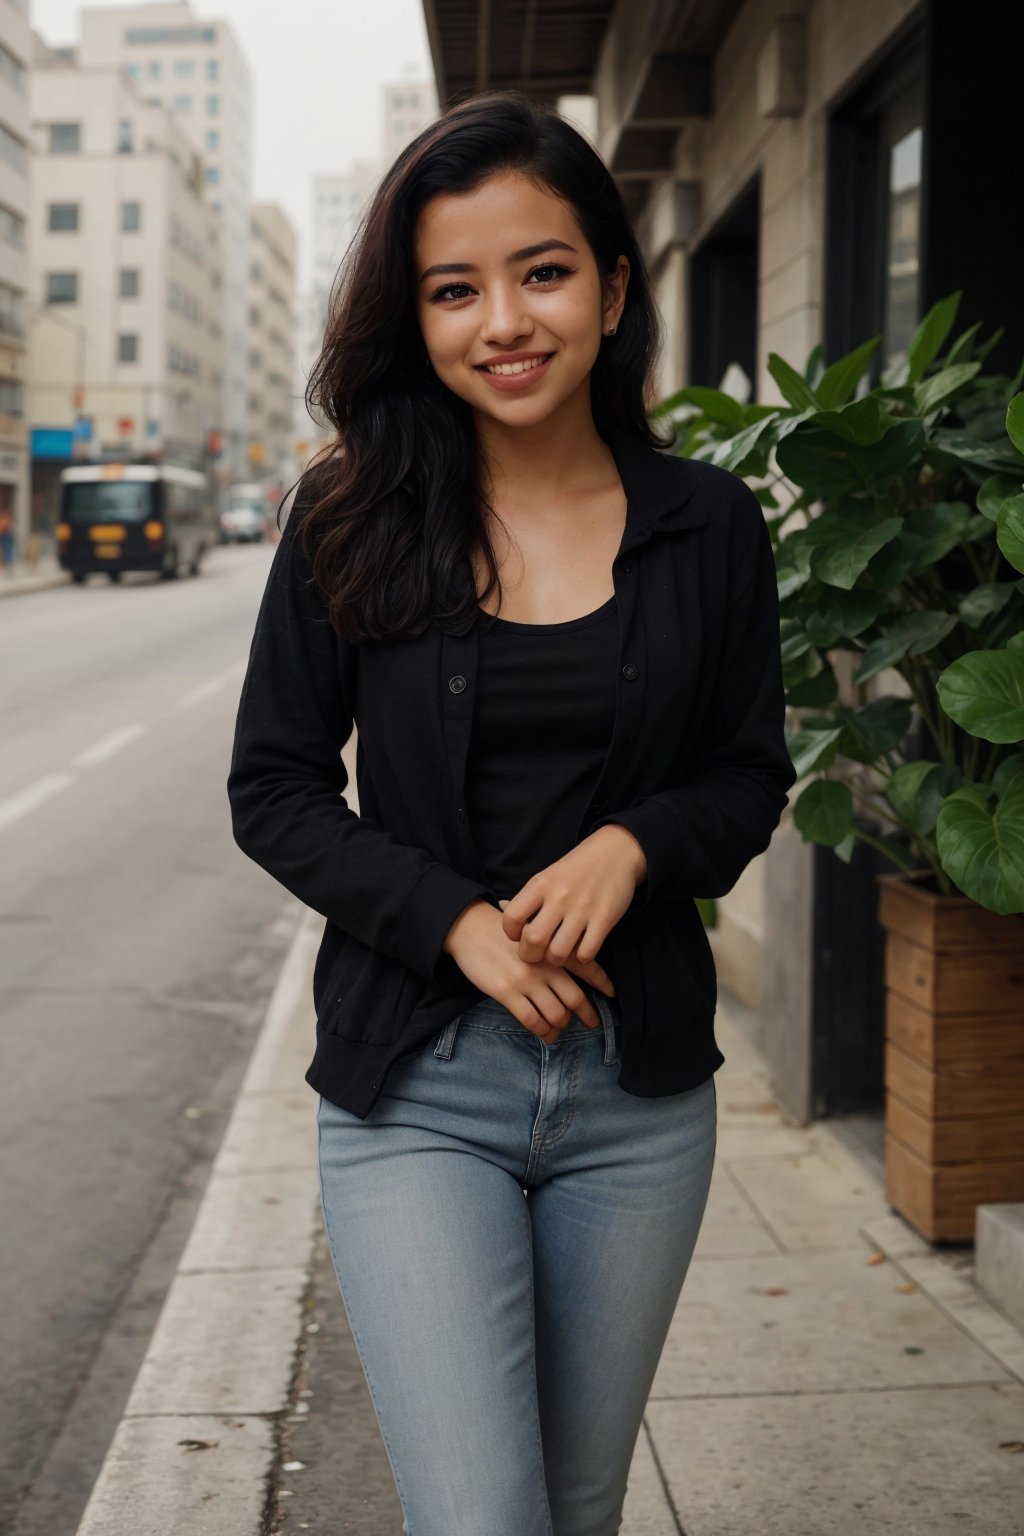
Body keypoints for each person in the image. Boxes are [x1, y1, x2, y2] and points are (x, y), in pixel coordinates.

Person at [228, 90, 794, 1536]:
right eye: (452, 290)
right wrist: (457, 926)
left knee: (577, 1507)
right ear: (413, 320)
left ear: (611, 286)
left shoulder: (710, 525)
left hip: (638, 1098)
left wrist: (634, 844)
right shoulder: (347, 518)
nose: (504, 321)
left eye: (540, 272)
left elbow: (747, 773)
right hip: (419, 1090)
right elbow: (275, 790)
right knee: (484, 1518)